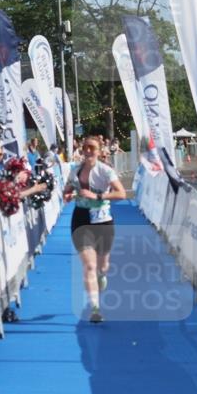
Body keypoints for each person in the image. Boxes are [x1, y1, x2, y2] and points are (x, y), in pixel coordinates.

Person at [63, 136, 127, 324]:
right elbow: (67, 189)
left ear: (99, 151)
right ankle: (95, 309)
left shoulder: (106, 171)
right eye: (85, 148)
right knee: (89, 266)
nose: (88, 151)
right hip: (81, 219)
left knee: (102, 266)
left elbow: (121, 193)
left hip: (102, 219)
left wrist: (97, 195)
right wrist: (67, 194)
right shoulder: (75, 171)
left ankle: (102, 275)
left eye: (92, 148)